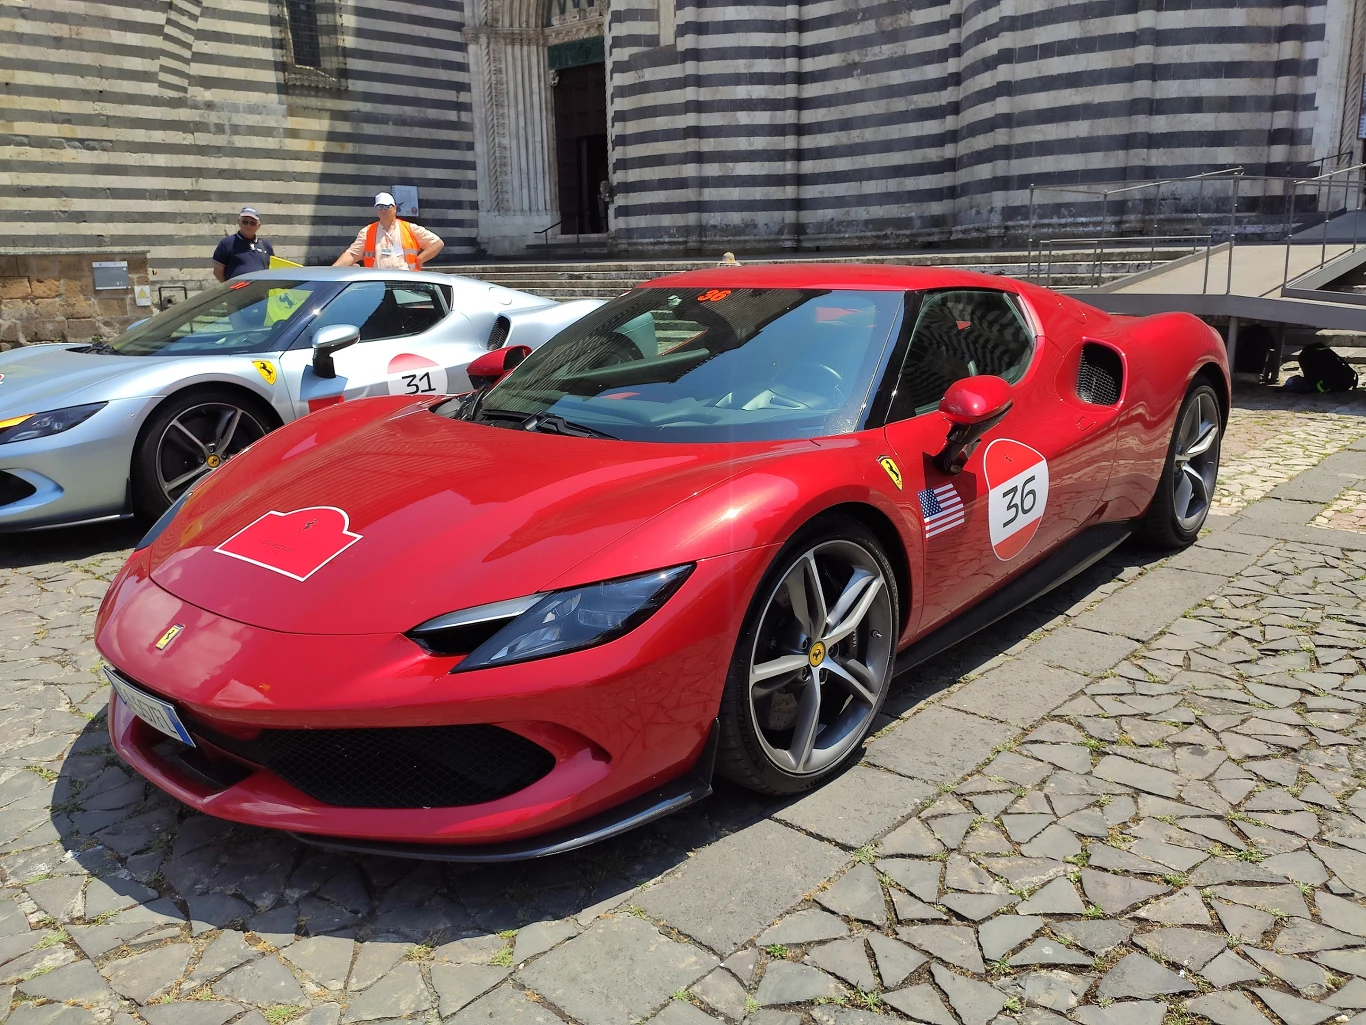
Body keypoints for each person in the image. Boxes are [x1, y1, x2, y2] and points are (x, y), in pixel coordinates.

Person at [333, 192, 443, 270]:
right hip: (377, 283)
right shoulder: (367, 232)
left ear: (394, 208)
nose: (383, 210)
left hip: (406, 282)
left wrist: (420, 260)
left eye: (386, 207)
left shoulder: (409, 228)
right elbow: (352, 255)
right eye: (379, 207)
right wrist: (333, 270)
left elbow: (437, 243)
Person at [212, 207, 274, 281]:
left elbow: (272, 267)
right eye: (245, 222)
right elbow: (218, 271)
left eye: (252, 223)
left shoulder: (265, 245)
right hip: (237, 291)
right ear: (239, 222)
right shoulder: (227, 243)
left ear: (258, 226)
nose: (248, 225)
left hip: (261, 291)